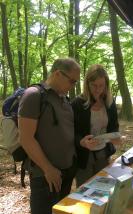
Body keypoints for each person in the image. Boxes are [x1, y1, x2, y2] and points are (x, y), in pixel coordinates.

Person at [18, 58, 80, 214]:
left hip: (66, 172)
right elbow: (26, 139)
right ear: (58, 74)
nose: (74, 86)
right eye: (72, 81)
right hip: (45, 177)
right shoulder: (33, 95)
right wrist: (48, 169)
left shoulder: (64, 99)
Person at [71, 64, 121, 187]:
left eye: (101, 86)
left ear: (106, 86)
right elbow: (71, 133)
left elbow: (114, 126)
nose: (98, 89)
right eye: (94, 85)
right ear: (87, 84)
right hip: (84, 157)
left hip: (103, 154)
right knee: (84, 191)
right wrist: (82, 142)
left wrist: (115, 137)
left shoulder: (109, 102)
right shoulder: (77, 104)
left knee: (103, 187)